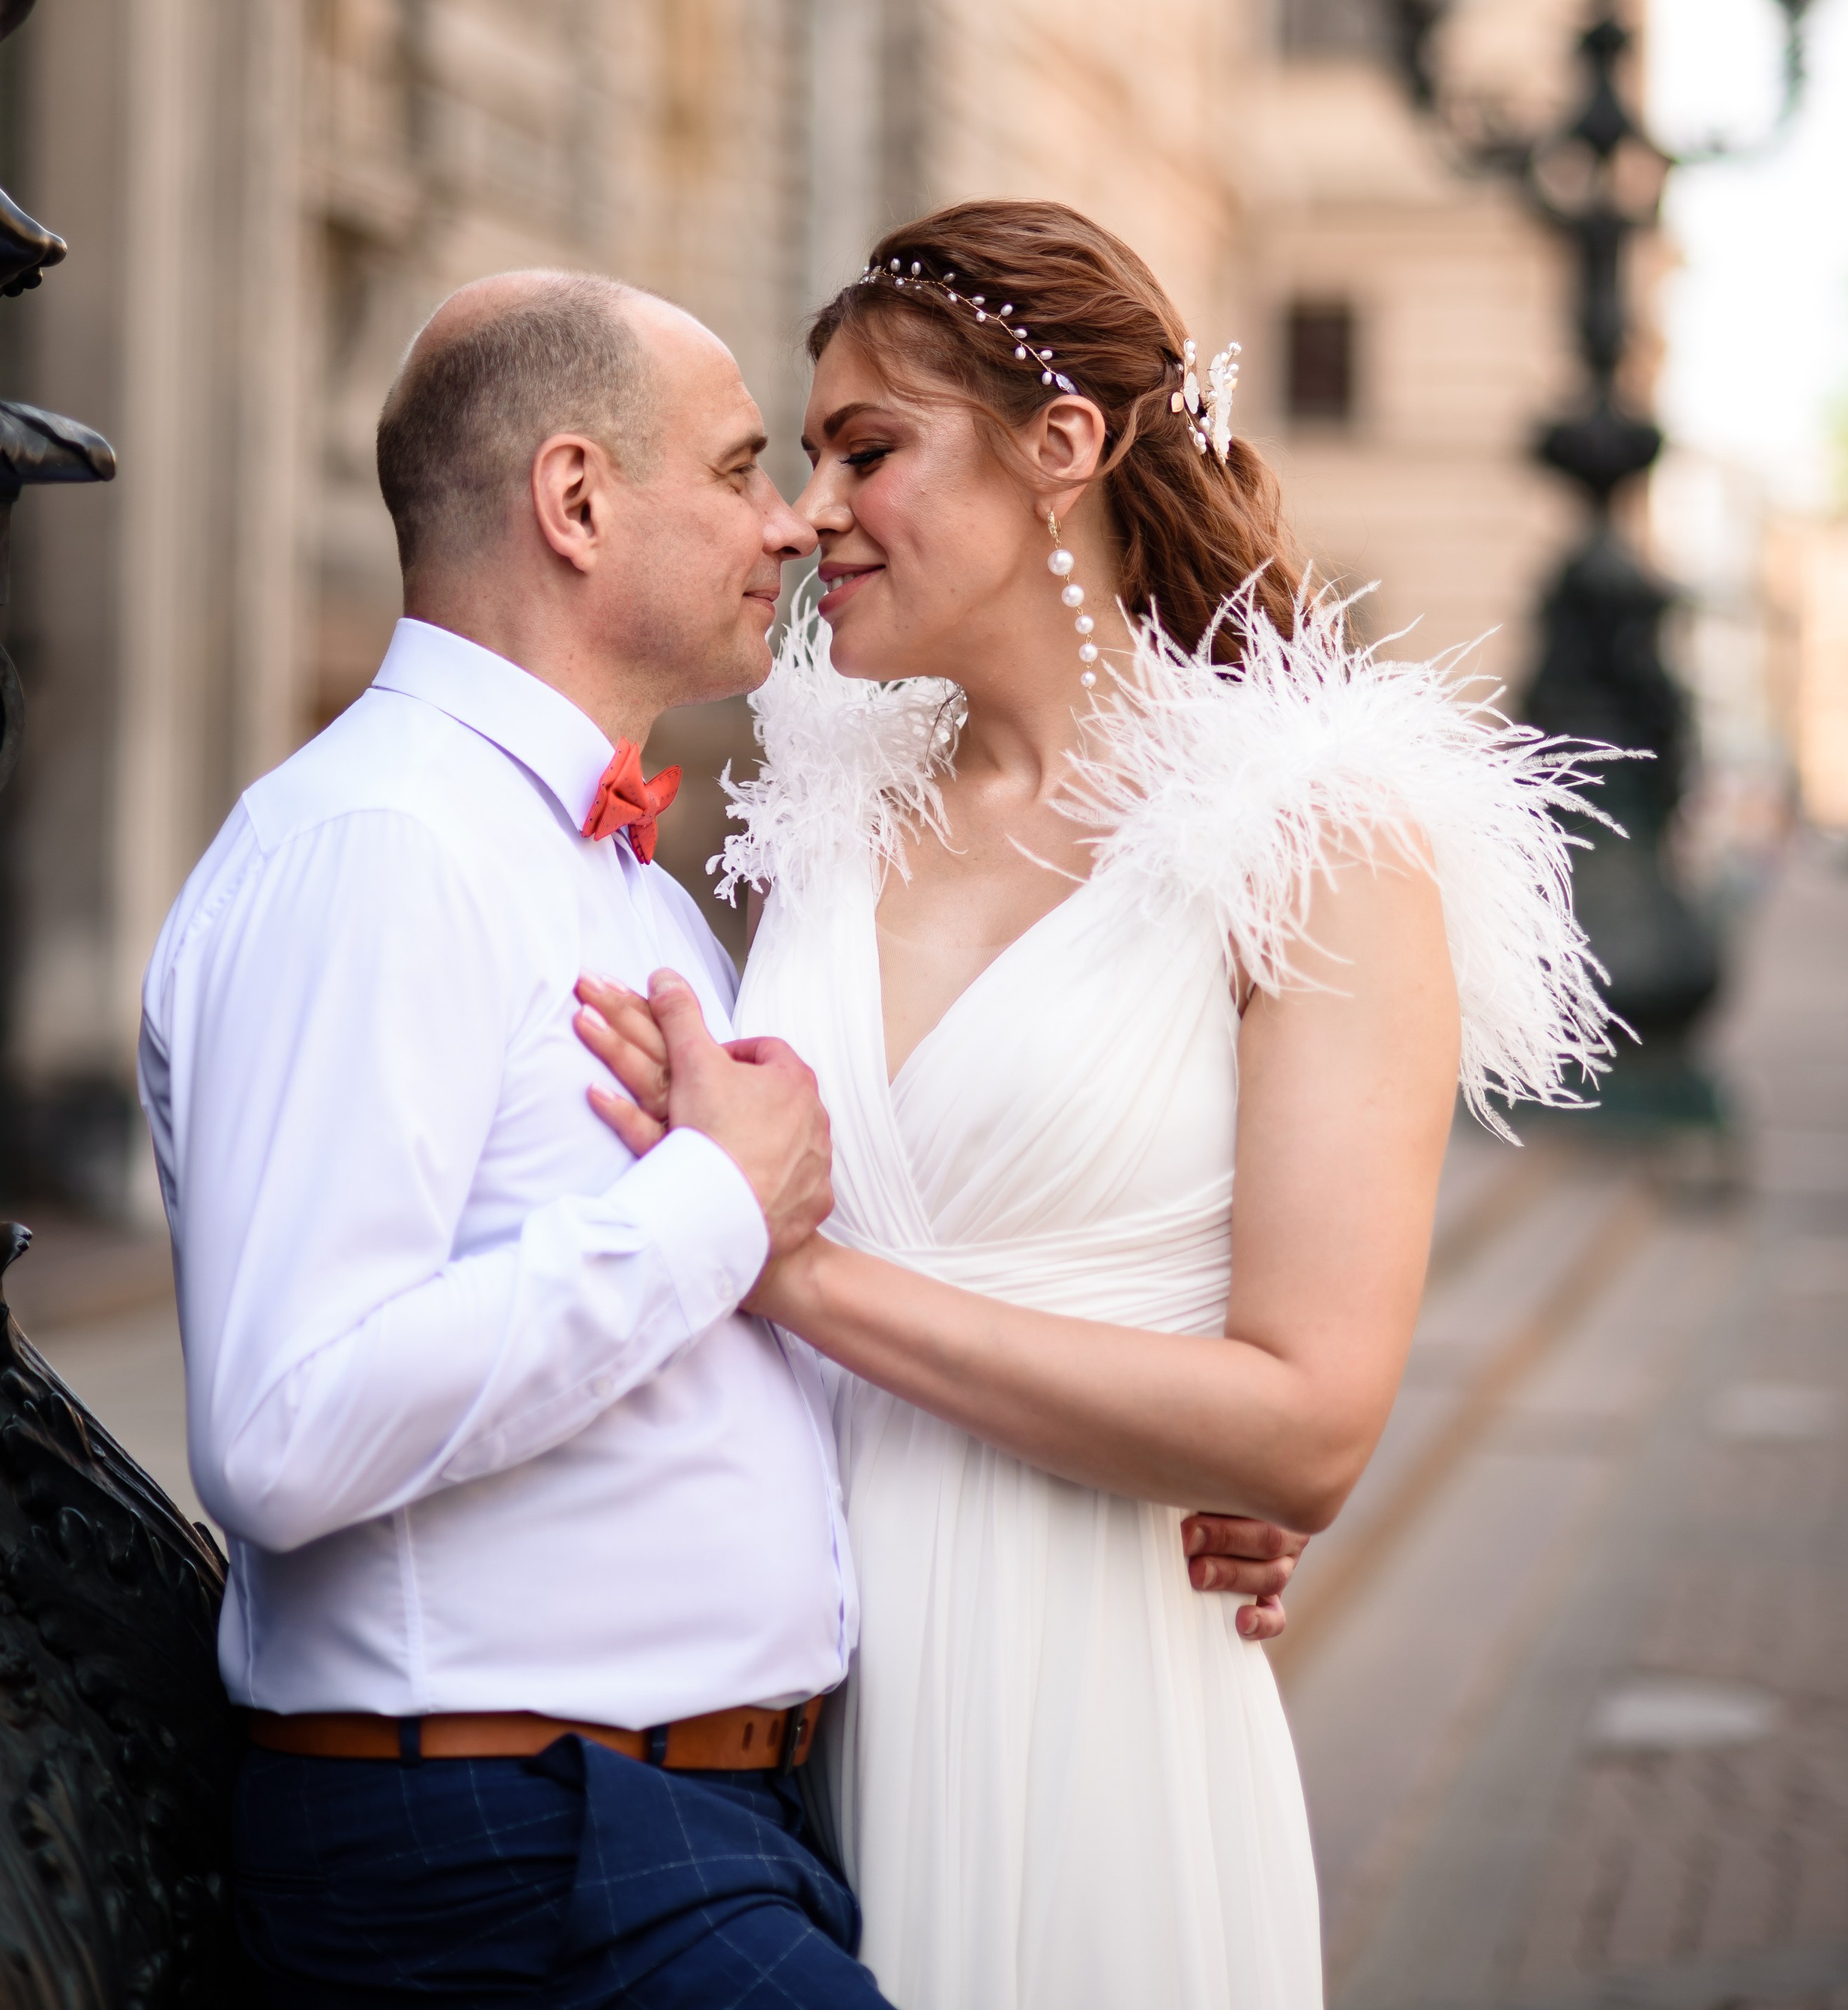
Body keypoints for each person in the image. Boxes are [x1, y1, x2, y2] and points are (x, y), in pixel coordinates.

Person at [139, 268, 1298, 2008]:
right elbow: (288, 1426)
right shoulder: (375, 849)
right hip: (517, 1842)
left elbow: (748, 1332)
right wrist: (711, 1204)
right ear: (577, 500)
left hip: (696, 1826)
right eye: (750, 465)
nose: (789, 526)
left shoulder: (627, 887)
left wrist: (1154, 1437)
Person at [581, 202, 1612, 2010]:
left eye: (867, 449)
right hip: (762, 1713)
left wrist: (799, 1275)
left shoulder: (1317, 840)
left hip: (1089, 1695)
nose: (812, 513)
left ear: (1061, 449)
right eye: (809, 457)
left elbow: (1298, 1426)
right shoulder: (817, 815)